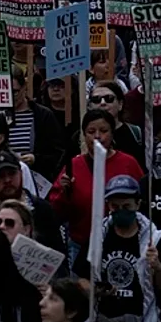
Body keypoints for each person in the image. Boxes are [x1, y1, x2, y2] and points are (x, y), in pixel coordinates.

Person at [88, 174, 161, 322]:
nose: (121, 211)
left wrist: (158, 267)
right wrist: (97, 290)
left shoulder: (154, 240)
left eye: (127, 206)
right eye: (115, 207)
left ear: (138, 204)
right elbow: (80, 280)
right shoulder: (99, 237)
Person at [51, 110, 144, 259]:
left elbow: (143, 199)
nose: (97, 136)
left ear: (112, 133)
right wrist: (64, 191)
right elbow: (56, 211)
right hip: (82, 246)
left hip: (123, 244)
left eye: (103, 131)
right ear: (84, 135)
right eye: (91, 131)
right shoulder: (73, 165)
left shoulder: (128, 163)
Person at [0, 151, 65, 253]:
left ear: (21, 173)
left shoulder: (43, 210)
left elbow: (61, 257)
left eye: (12, 173)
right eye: (0, 176)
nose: (7, 180)